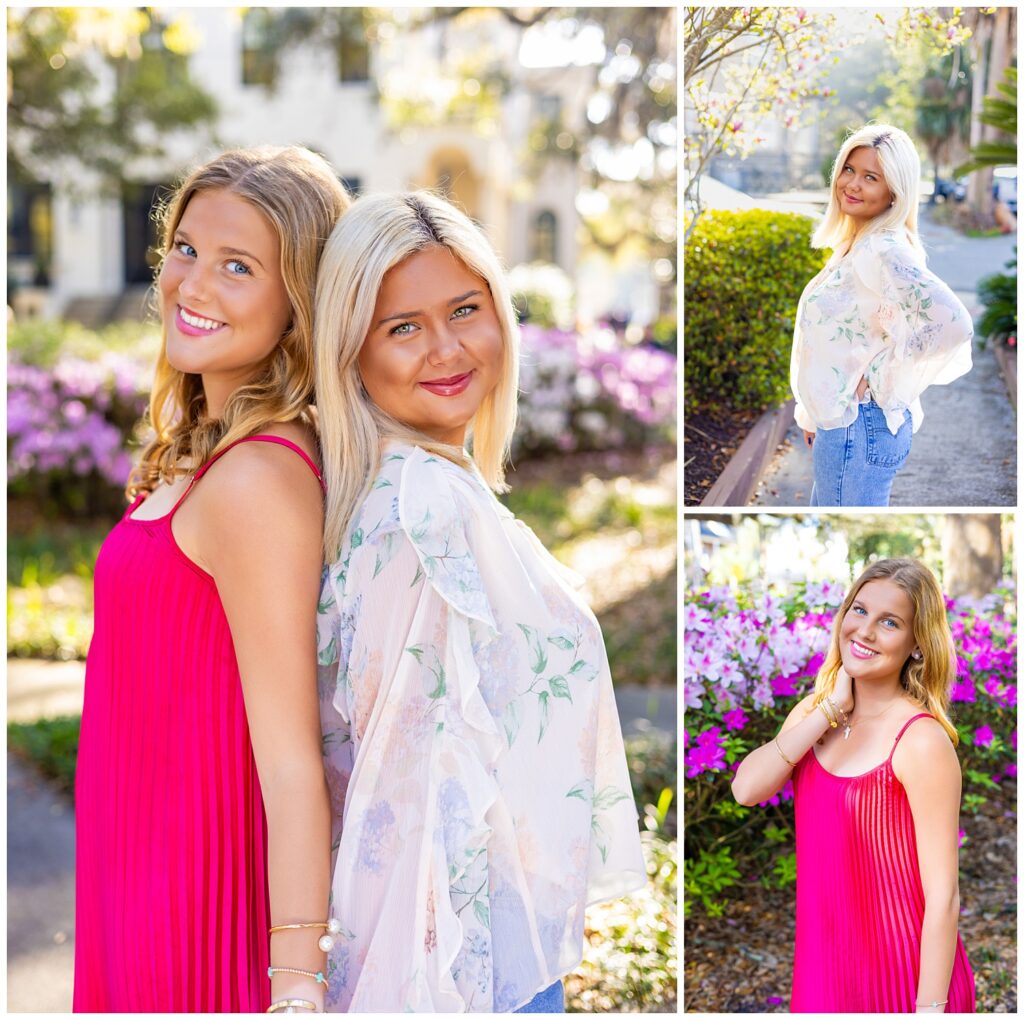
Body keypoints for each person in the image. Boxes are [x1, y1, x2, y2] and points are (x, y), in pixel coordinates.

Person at [312, 191, 647, 1012]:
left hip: (498, 947)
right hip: (462, 971)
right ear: (349, 350)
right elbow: (406, 798)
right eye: (403, 327)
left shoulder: (429, 491)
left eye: (466, 309)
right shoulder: (420, 514)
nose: (446, 348)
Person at [73, 147, 350, 1013]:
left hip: (195, 913)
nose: (193, 284)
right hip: (135, 874)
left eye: (239, 266)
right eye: (187, 249)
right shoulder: (210, 449)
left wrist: (297, 985)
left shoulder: (259, 478)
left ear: (298, 306)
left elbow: (290, 760)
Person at [731, 558, 976, 1013]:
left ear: (917, 645)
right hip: (824, 974)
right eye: (859, 611)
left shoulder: (921, 740)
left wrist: (929, 1008)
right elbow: (746, 789)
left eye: (889, 622)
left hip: (905, 978)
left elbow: (944, 895)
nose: (864, 632)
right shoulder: (814, 714)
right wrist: (828, 710)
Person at [789, 124, 974, 506]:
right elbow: (851, 338)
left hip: (860, 429)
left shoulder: (883, 249)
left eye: (870, 177)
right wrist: (813, 413)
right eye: (849, 170)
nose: (851, 185)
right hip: (844, 428)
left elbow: (953, 324)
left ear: (894, 191)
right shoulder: (859, 244)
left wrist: (882, 374)